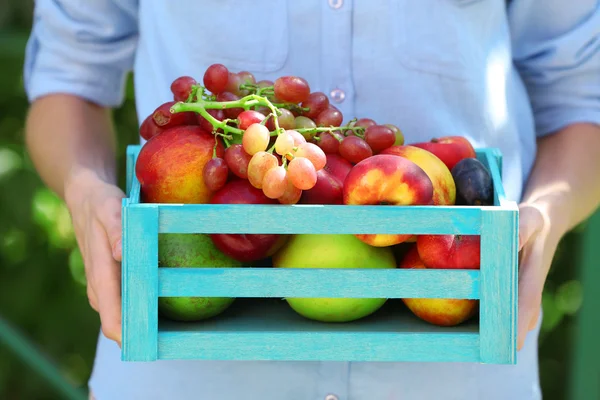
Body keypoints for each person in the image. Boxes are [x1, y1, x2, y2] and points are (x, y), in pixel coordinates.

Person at [23, 1, 600, 399]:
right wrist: (85, 187)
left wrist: (547, 211)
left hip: (459, 369)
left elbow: (581, 103)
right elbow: (67, 82)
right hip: (184, 376)